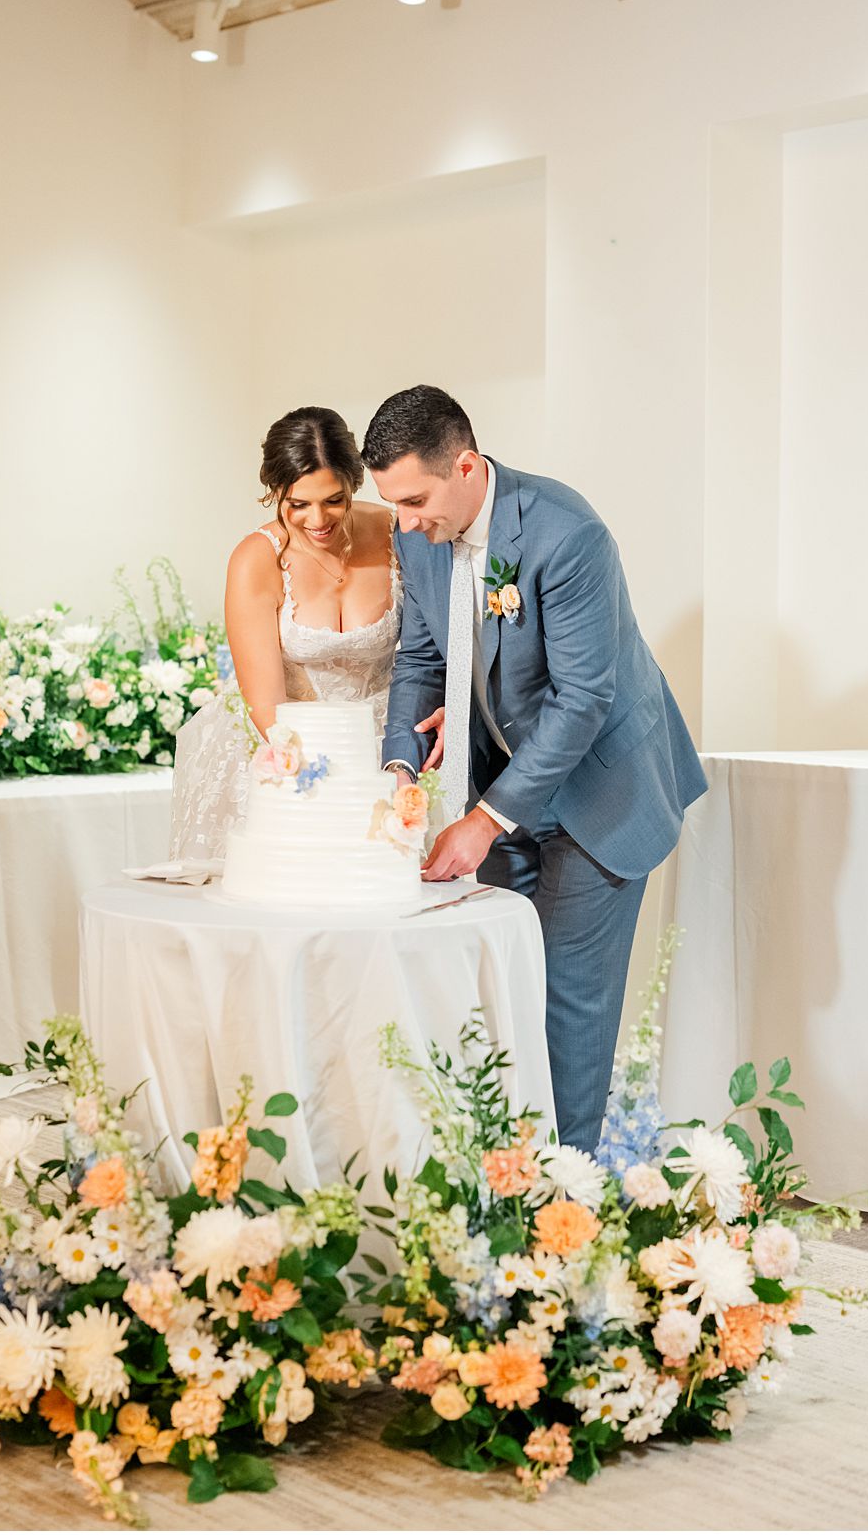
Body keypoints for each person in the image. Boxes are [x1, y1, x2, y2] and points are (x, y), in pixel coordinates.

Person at [363, 384, 707, 1154]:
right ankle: (503, 1184)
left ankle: (567, 1209)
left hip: (600, 791)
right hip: (507, 784)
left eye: (416, 499)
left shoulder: (566, 532)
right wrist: (398, 769)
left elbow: (584, 697)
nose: (406, 523)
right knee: (495, 989)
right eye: (393, 505)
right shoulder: (418, 534)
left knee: (565, 1007)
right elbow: (420, 658)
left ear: (465, 465)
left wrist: (484, 822)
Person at [169, 405, 412, 870]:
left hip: (386, 745)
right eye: (297, 504)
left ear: (354, 483)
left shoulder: (396, 533)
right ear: (274, 493)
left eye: (333, 500)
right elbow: (266, 704)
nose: (317, 519)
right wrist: (326, 780)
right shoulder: (255, 560)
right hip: (286, 742)